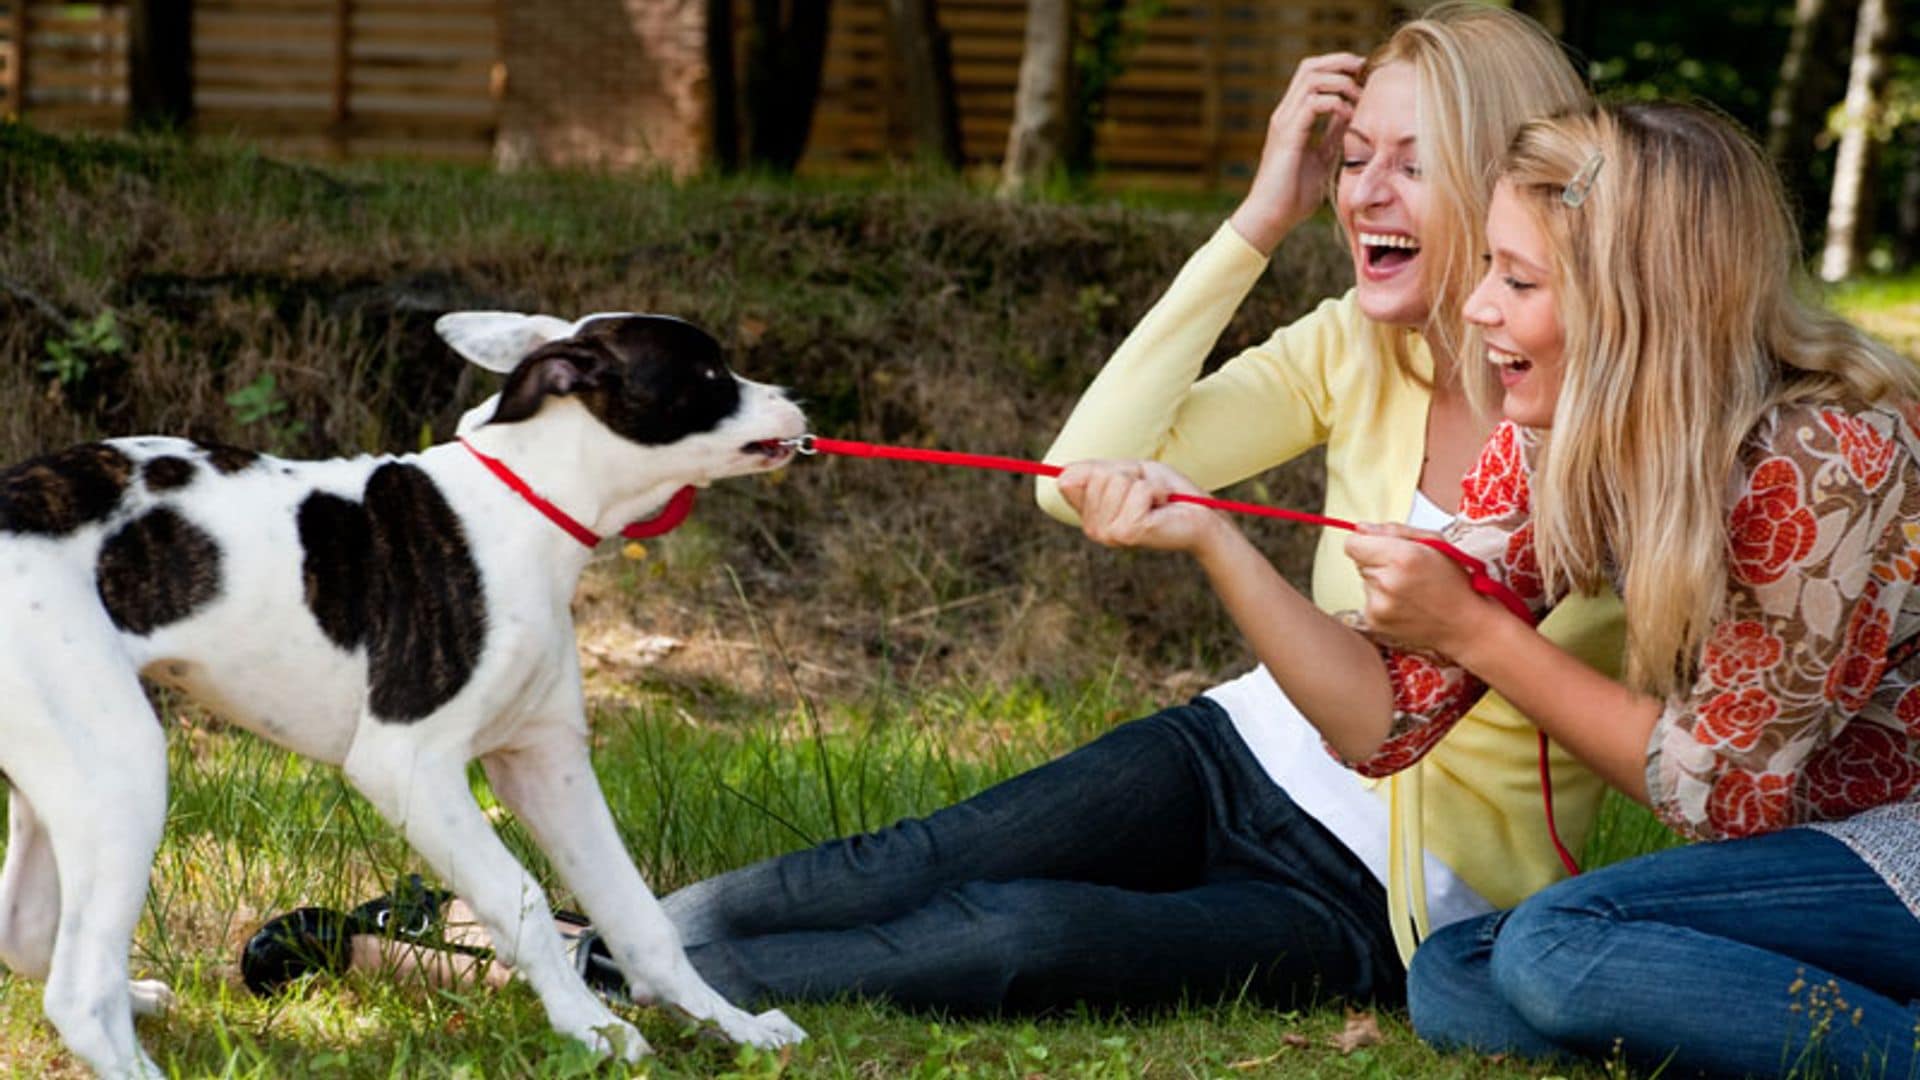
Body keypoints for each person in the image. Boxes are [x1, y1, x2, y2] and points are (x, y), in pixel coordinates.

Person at [245, 1, 1619, 1015]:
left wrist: (1209, 534)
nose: (1361, 192)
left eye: (1408, 164)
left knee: (1017, 937)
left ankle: (518, 961)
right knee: (889, 863)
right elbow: (1087, 472)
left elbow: (1388, 720)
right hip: (1229, 749)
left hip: (1373, 900)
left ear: (1511, 184)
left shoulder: (1600, 433)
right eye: (1350, 155)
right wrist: (1255, 219)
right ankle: (523, 943)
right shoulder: (1348, 343)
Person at [1061, 101, 1920, 1076]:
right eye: (1487, 268)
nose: (1477, 308)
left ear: (1635, 303)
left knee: (1552, 947)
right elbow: (1389, 720)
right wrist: (1215, 539)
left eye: (1517, 279)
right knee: (1456, 973)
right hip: (1801, 863)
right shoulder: (1554, 432)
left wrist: (1476, 631)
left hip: (1900, 853)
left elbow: (1722, 796)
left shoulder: (1821, 458)